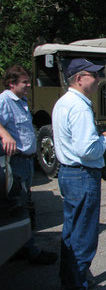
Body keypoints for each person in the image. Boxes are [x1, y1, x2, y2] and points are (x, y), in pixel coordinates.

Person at [52, 58, 106, 289]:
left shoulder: (63, 102)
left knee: (71, 233)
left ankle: (69, 281)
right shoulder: (78, 106)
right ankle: (77, 284)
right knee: (83, 237)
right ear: (79, 79)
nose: (98, 80)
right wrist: (105, 140)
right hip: (82, 175)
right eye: (94, 75)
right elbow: (87, 149)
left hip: (69, 174)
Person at [0, 64, 58, 265]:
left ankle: (20, 247)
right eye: (24, 82)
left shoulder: (21, 101)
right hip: (15, 162)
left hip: (26, 162)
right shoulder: (5, 100)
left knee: (25, 205)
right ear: (11, 83)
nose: (28, 85)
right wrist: (4, 133)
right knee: (20, 206)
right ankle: (30, 250)